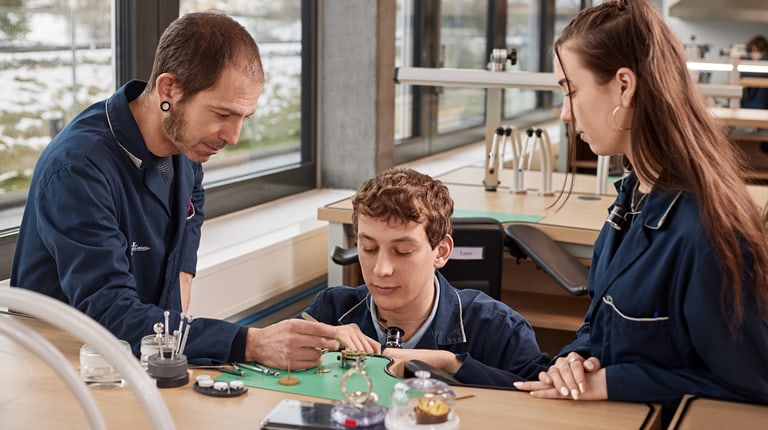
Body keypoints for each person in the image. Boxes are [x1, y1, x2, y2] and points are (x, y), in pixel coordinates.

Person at [10, 11, 342, 370]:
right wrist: (250, 342)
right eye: (222, 114)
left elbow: (191, 211)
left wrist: (183, 274)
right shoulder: (78, 168)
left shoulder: (185, 143)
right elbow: (109, 313)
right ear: (169, 89)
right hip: (64, 370)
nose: (233, 137)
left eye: (243, 118)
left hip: (144, 355)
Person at [512, 0, 768, 425]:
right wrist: (576, 359)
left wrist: (615, 382)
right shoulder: (632, 195)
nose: (564, 112)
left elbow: (754, 385)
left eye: (571, 89)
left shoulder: (703, 232)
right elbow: (602, 323)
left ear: (624, 86)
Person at [299, 167, 551, 387]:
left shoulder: (499, 327)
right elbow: (272, 364)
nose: (381, 270)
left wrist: (451, 365)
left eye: (403, 251)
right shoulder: (332, 310)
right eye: (369, 249)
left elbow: (541, 396)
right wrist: (321, 344)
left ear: (441, 252)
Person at [740, 35, 768, 110]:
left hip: (750, 105)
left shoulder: (746, 61)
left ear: (754, 47)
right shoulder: (745, 61)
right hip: (760, 105)